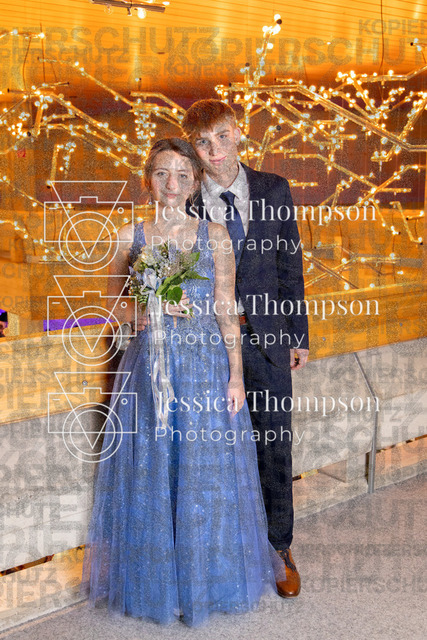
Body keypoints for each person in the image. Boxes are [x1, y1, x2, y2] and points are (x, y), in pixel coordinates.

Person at [80, 138, 287, 627]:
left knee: (204, 475)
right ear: (147, 180)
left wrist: (236, 376)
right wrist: (150, 307)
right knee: (153, 472)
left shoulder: (215, 235)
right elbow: (111, 306)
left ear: (195, 183)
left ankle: (207, 580)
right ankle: (157, 583)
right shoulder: (128, 236)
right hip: (150, 369)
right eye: (161, 173)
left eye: (181, 174)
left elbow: (226, 309)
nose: (171, 184)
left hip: (204, 369)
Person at [181, 100, 309, 598]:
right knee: (215, 449)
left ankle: (279, 547)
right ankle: (226, 550)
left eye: (221, 136)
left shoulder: (275, 189)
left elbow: (289, 266)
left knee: (274, 445)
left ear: (238, 132)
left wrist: (297, 334)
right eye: (202, 142)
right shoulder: (186, 200)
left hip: (270, 339)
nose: (214, 150)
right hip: (210, 345)